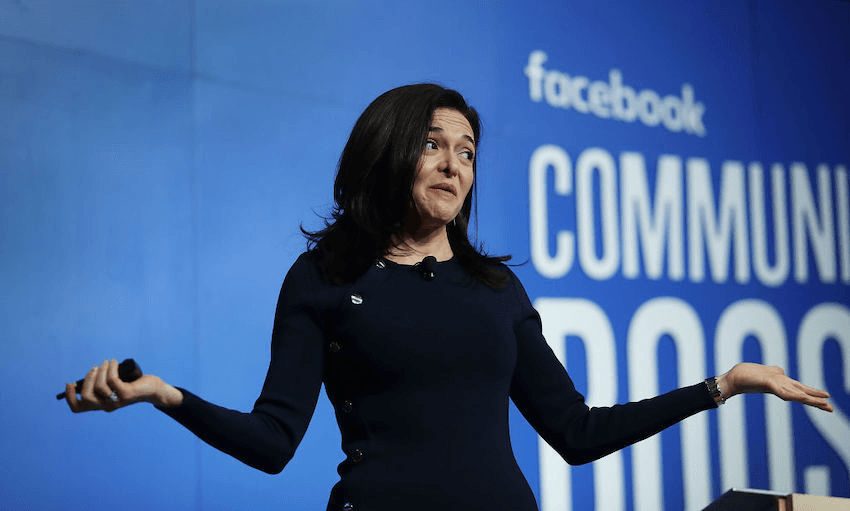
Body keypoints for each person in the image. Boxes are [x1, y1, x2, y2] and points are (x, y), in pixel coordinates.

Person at [64, 84, 833, 511]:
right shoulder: (324, 277)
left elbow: (577, 431)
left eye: (467, 151)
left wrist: (721, 385)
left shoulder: (496, 289)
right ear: (389, 151)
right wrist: (164, 394)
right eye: (433, 143)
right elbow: (272, 442)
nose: (454, 163)